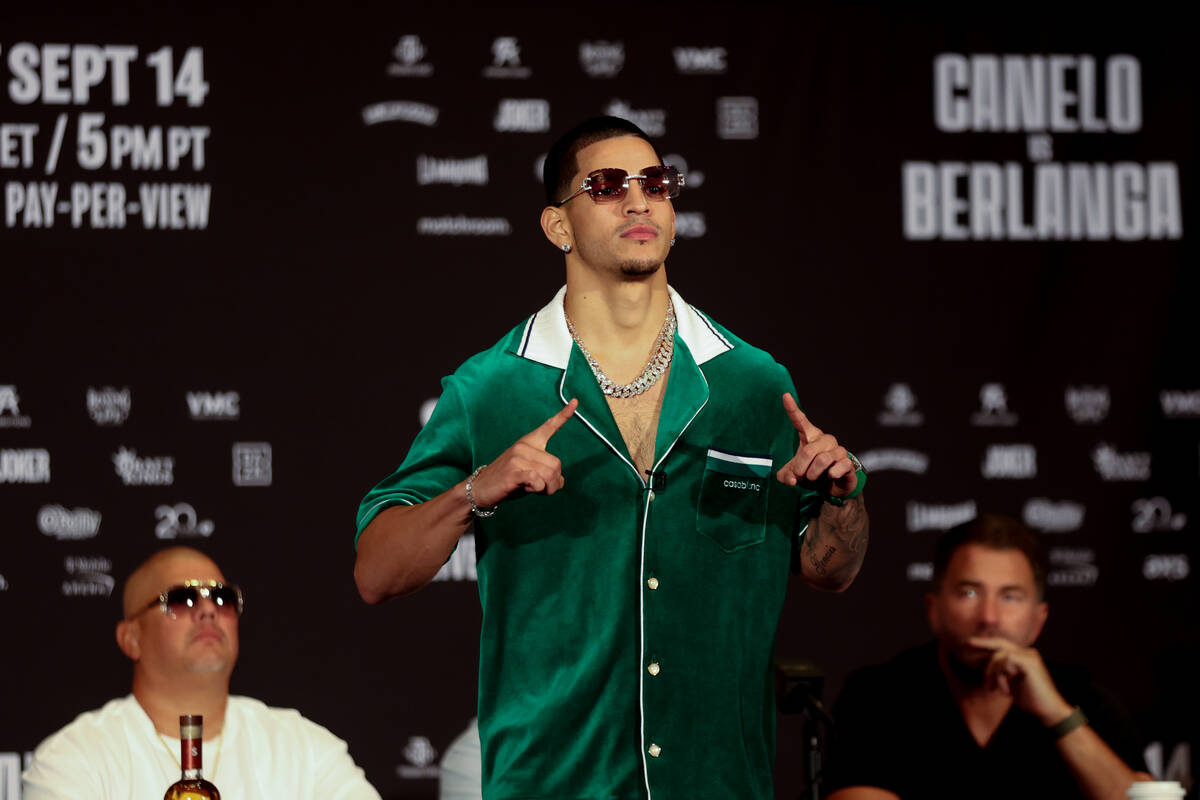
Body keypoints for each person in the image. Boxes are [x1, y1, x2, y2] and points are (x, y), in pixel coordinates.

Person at [354, 115, 870, 799]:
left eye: (656, 183)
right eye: (605, 186)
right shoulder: (492, 388)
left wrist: (843, 494)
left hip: (718, 782)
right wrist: (475, 491)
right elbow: (376, 573)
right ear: (557, 227)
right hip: (552, 782)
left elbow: (828, 571)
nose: (638, 200)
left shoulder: (754, 384)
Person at [823, 514, 1149, 800]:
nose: (989, 617)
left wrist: (1056, 714)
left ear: (1039, 620)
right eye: (969, 592)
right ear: (933, 610)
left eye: (1010, 596)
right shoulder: (878, 694)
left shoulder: (1082, 697)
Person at [22, 546, 381, 799]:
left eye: (222, 598)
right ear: (131, 638)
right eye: (182, 599)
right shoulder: (73, 758)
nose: (209, 610)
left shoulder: (305, 748)